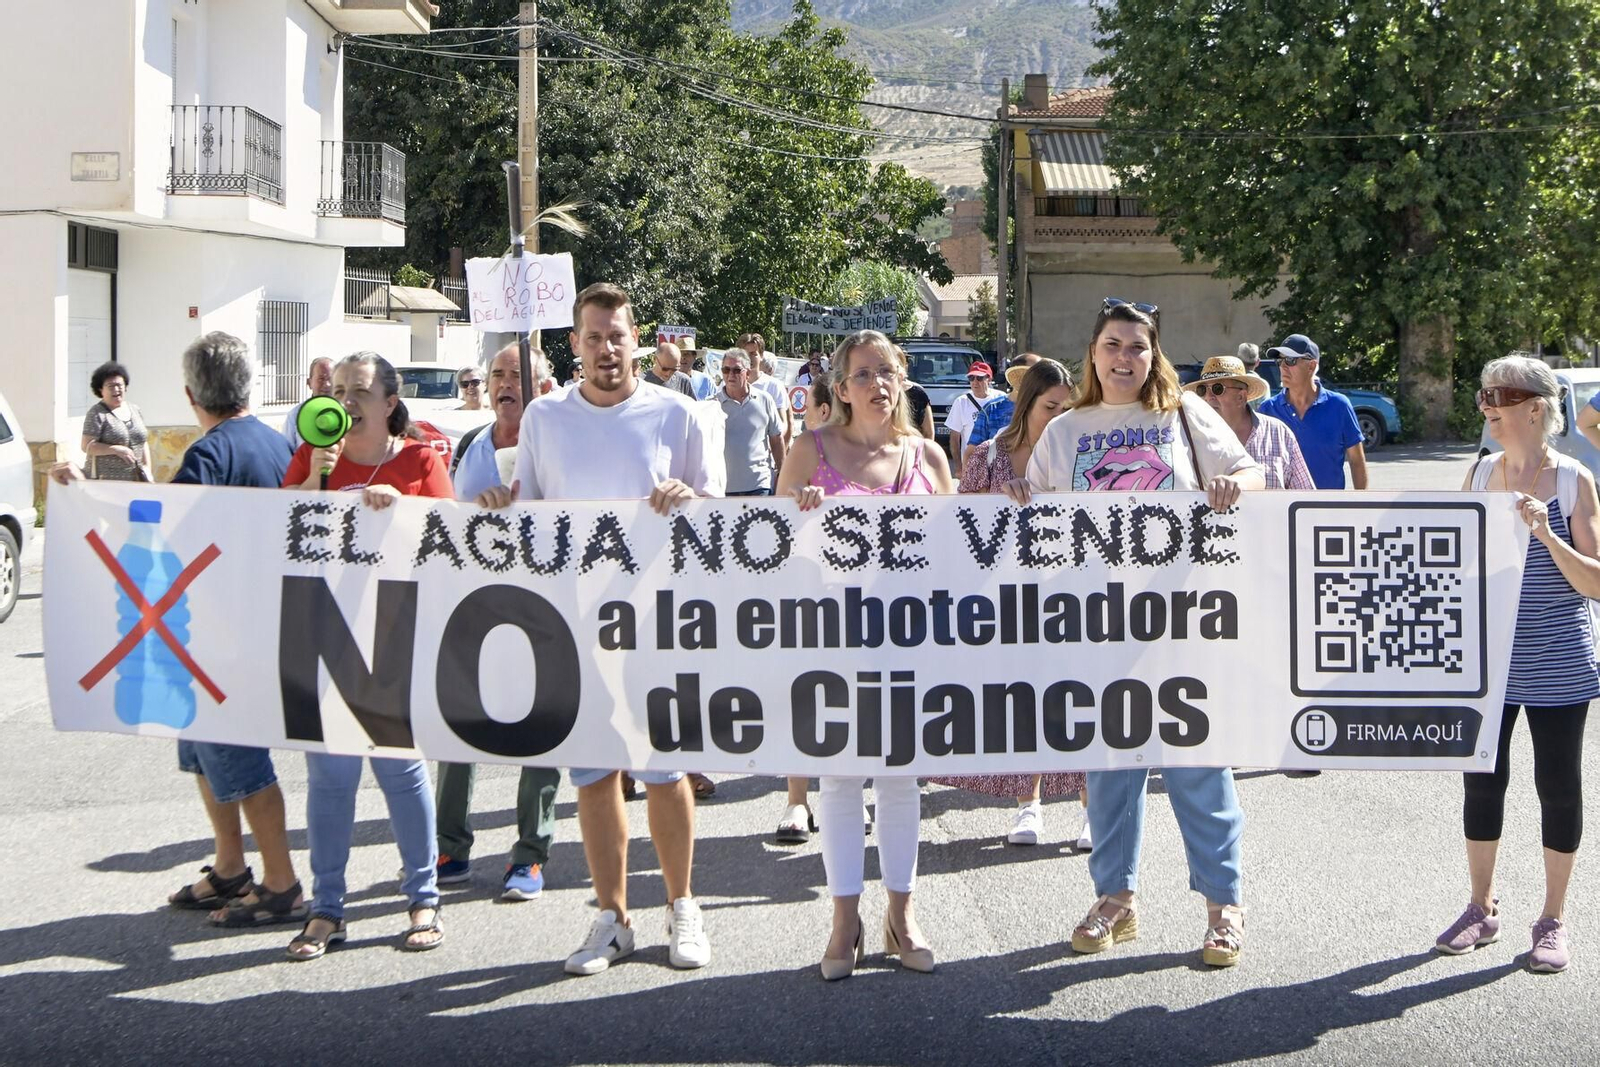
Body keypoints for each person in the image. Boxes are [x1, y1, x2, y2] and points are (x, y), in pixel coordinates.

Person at [1006, 298, 1263, 969]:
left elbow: (1251, 471)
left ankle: (1223, 906)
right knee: (1112, 768)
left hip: (1183, 622)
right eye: (1113, 345)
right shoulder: (1066, 430)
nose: (1125, 358)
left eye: (1138, 347)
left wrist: (1235, 482)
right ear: (1093, 352)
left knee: (1196, 766)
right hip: (1098, 626)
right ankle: (1115, 898)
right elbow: (1032, 520)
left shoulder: (1183, 413)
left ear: (1155, 356)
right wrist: (1018, 504)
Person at [478, 282, 720, 977]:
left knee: (665, 768)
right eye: (593, 336)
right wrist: (499, 503)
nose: (606, 348)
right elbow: (529, 509)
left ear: (636, 338)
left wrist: (691, 499)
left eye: (617, 335)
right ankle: (612, 917)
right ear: (575, 344)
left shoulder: (677, 415)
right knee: (593, 774)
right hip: (573, 625)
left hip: (657, 622)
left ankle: (682, 906)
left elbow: (721, 516)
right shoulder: (545, 419)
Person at [53, 333, 307, 926]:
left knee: (238, 759)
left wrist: (84, 497)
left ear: (192, 393)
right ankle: (229, 867)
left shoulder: (208, 455)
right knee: (201, 752)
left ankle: (281, 881)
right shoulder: (277, 446)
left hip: (220, 637)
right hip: (251, 624)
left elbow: (159, 536)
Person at [778, 329, 954, 980]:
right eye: (862, 374)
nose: (877, 383)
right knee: (841, 779)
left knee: (902, 779)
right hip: (831, 639)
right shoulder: (809, 449)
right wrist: (798, 518)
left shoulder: (929, 458)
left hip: (911, 641)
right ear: (840, 388)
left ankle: (902, 915)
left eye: (888, 371)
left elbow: (961, 551)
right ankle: (844, 920)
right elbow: (764, 548)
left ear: (903, 379)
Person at [280, 351, 452, 961]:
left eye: (359, 391)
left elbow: (451, 540)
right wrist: (313, 480)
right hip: (321, 633)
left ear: (388, 402)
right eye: (338, 390)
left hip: (391, 637)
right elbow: (276, 527)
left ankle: (422, 898)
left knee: (400, 772)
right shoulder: (310, 455)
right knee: (330, 778)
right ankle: (327, 908)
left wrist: (398, 507)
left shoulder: (417, 460)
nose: (346, 401)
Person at [1436, 356, 1600, 974]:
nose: (1486, 405)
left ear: (1536, 407)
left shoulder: (1571, 480)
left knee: (1558, 788)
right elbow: (1451, 563)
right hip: (1488, 664)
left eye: (1499, 395)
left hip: (1559, 662)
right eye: (1482, 394)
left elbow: (1596, 582)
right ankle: (1481, 907)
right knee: (1482, 782)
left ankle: (1553, 919)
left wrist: (1546, 536)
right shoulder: (1480, 474)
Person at [928, 359, 1090, 850]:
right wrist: (999, 495)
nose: (1059, 416)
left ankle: (1091, 810)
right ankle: (1028, 805)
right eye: (1049, 407)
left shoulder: (1082, 453)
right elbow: (959, 521)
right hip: (1004, 595)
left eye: (1067, 407)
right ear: (1026, 404)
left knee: (1077, 699)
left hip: (1070, 592)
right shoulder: (987, 454)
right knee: (1023, 701)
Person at [437, 343, 562, 902]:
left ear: (545, 384)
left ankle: (529, 856)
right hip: (477, 610)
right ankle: (449, 846)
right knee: (458, 727)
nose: (506, 384)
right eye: (497, 375)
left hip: (543, 611)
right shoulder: (470, 448)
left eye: (519, 375)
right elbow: (442, 523)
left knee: (541, 731)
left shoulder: (560, 443)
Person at [775, 373, 841, 845]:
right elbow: (775, 524)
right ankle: (797, 800)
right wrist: (800, 501)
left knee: (854, 697)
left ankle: (847, 791)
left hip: (867, 601)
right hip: (809, 589)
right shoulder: (809, 448)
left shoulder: (883, 448)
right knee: (804, 696)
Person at [1186, 356, 1314, 492]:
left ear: (1241, 397)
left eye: (1218, 389)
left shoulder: (1278, 432)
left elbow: (1306, 498)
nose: (1208, 397)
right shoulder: (1190, 438)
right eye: (1202, 390)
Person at [1257, 334, 1368, 489]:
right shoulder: (1267, 409)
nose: (1282, 366)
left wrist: (1361, 507)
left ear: (1311, 366)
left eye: (1290, 360)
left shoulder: (1339, 405)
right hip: (1284, 509)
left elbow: (1356, 461)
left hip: (1328, 508)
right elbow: (1257, 463)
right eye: (1280, 361)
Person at [717, 348, 785, 496]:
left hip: (760, 485)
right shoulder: (713, 404)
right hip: (724, 488)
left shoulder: (765, 399)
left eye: (736, 370)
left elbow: (776, 438)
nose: (730, 375)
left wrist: (783, 473)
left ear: (747, 373)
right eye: (726, 370)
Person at [965, 352, 1046, 458]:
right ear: (1017, 376)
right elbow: (971, 453)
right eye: (1036, 372)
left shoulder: (1047, 409)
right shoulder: (992, 409)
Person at [81, 361, 150, 481]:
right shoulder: (97, 413)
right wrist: (115, 449)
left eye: (120, 385)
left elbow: (143, 442)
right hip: (107, 482)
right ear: (100, 390)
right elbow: (86, 446)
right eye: (111, 386)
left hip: (136, 481)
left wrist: (148, 469)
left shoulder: (135, 409)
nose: (116, 389)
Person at [943, 361, 1003, 477]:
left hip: (998, 464)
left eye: (979, 378)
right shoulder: (961, 402)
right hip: (971, 464)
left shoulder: (1001, 398)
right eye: (971, 378)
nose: (975, 382)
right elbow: (955, 438)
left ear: (989, 379)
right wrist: (959, 467)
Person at [741, 332, 794, 447]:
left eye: (753, 354)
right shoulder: (728, 384)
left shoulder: (774, 385)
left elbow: (783, 424)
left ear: (761, 356)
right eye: (745, 354)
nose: (749, 359)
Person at [281, 356, 335, 453]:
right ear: (309, 383)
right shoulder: (295, 416)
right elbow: (286, 453)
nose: (327, 384)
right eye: (321, 379)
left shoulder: (346, 414)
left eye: (330, 379)